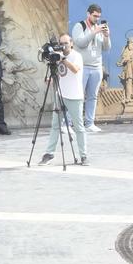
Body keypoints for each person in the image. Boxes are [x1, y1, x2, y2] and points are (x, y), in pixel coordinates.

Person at [39, 36, 87, 166]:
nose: (64, 46)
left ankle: (83, 155)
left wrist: (63, 59)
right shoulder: (57, 55)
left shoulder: (76, 56)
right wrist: (51, 79)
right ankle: (49, 153)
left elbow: (75, 70)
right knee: (55, 126)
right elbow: (61, 73)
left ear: (71, 44)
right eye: (61, 43)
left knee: (79, 127)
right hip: (60, 94)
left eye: (66, 43)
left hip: (75, 96)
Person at [72, 3, 111, 131]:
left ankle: (89, 123)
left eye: (99, 16)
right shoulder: (80, 26)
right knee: (77, 96)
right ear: (88, 14)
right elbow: (80, 43)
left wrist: (106, 36)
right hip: (82, 67)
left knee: (93, 96)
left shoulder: (99, 28)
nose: (97, 19)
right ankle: (71, 123)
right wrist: (94, 32)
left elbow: (106, 48)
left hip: (96, 67)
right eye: (94, 16)